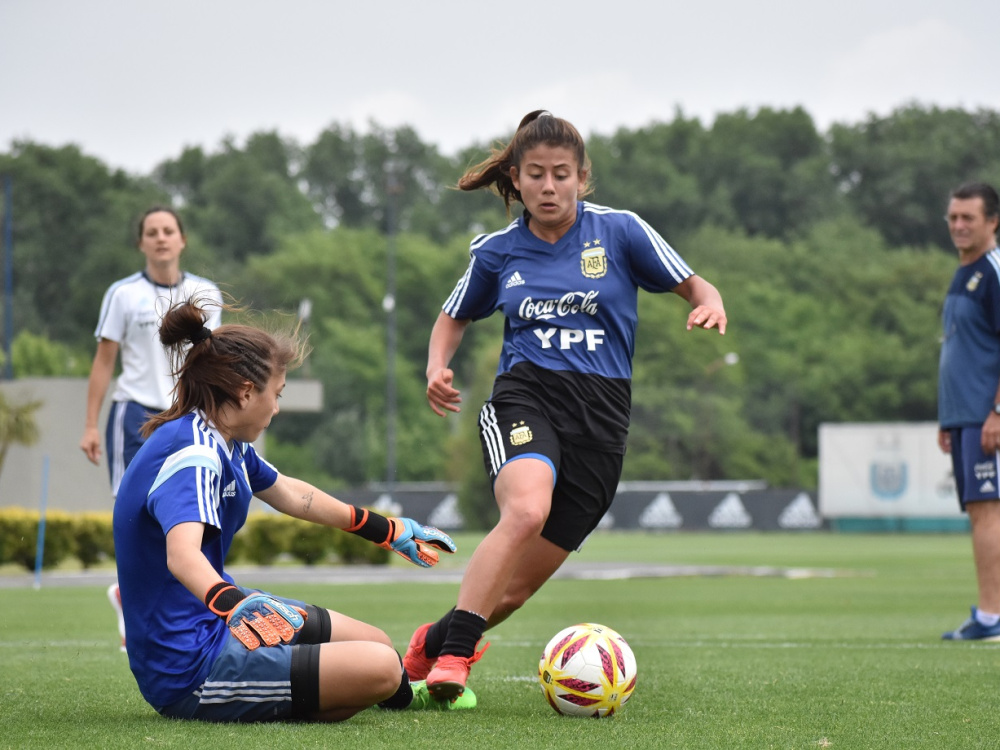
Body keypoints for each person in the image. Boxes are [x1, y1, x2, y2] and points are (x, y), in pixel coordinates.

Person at [403, 110, 727, 700]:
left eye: (560, 174)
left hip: (602, 421)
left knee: (513, 592)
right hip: (526, 397)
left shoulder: (622, 232)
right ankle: (454, 659)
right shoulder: (498, 251)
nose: (548, 186)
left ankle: (430, 644)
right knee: (527, 511)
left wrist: (710, 303)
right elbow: (453, 316)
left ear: (581, 177)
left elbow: (695, 284)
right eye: (536, 174)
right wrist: (435, 366)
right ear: (516, 179)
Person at [113, 299, 473, 721]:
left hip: (216, 621)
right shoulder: (194, 453)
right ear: (246, 391)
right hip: (189, 666)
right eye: (277, 394)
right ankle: (398, 697)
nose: (277, 408)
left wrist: (386, 529)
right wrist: (232, 603)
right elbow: (182, 555)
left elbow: (289, 493)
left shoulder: (223, 440)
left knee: (377, 644)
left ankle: (381, 693)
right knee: (381, 667)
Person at [79, 206, 222, 651]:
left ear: (182, 239)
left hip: (187, 414)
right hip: (135, 414)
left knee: (190, 510)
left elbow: (212, 358)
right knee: (132, 511)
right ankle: (131, 600)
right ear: (141, 242)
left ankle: (185, 601)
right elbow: (104, 362)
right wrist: (90, 424)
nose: (161, 238)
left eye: (168, 230)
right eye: (152, 232)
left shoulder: (204, 292)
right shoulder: (122, 294)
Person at [938, 182, 1000, 641]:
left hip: (987, 417)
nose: (958, 225)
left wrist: (997, 410)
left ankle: (992, 618)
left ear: (992, 221)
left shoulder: (994, 271)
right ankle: (989, 613)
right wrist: (947, 418)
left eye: (968, 218)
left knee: (988, 512)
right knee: (980, 513)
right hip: (964, 417)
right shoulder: (965, 272)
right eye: (953, 217)